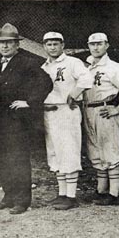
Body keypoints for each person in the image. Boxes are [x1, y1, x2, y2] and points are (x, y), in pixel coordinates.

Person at [0, 23, 52, 214]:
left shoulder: (26, 63)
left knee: (18, 159)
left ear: (17, 45)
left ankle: (22, 201)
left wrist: (29, 102)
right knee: (3, 159)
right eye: (2, 43)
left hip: (17, 122)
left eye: (9, 43)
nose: (5, 46)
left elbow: (46, 82)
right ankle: (8, 196)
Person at [41, 32, 93, 210]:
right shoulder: (45, 66)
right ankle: (62, 194)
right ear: (44, 46)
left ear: (62, 45)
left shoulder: (72, 62)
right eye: (49, 44)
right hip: (49, 112)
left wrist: (75, 93)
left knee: (69, 150)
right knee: (54, 152)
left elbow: (87, 78)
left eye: (56, 44)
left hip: (66, 110)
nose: (53, 47)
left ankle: (71, 196)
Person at [84, 33, 119, 206]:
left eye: (99, 44)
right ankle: (101, 190)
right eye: (92, 44)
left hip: (105, 109)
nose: (95, 47)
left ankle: (113, 193)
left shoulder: (114, 67)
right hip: (88, 109)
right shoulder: (87, 66)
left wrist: (118, 109)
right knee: (95, 150)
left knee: (110, 150)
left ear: (107, 45)